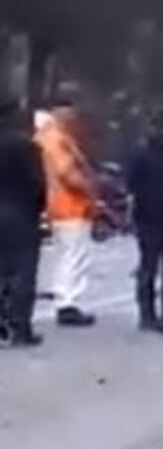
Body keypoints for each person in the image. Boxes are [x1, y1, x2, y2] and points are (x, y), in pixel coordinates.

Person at [34, 99, 98, 327]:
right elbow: (67, 172)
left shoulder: (46, 136)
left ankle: (66, 301)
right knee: (74, 255)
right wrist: (89, 189)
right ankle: (68, 303)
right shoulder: (56, 138)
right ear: (58, 112)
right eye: (70, 111)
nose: (74, 116)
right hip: (70, 205)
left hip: (58, 206)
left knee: (66, 255)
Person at [126, 109, 163, 331]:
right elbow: (131, 184)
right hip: (151, 215)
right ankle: (149, 313)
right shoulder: (143, 152)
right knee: (151, 266)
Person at [0, 97, 46, 347]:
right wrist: (37, 210)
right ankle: (20, 328)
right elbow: (37, 184)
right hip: (19, 214)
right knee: (22, 273)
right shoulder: (25, 146)